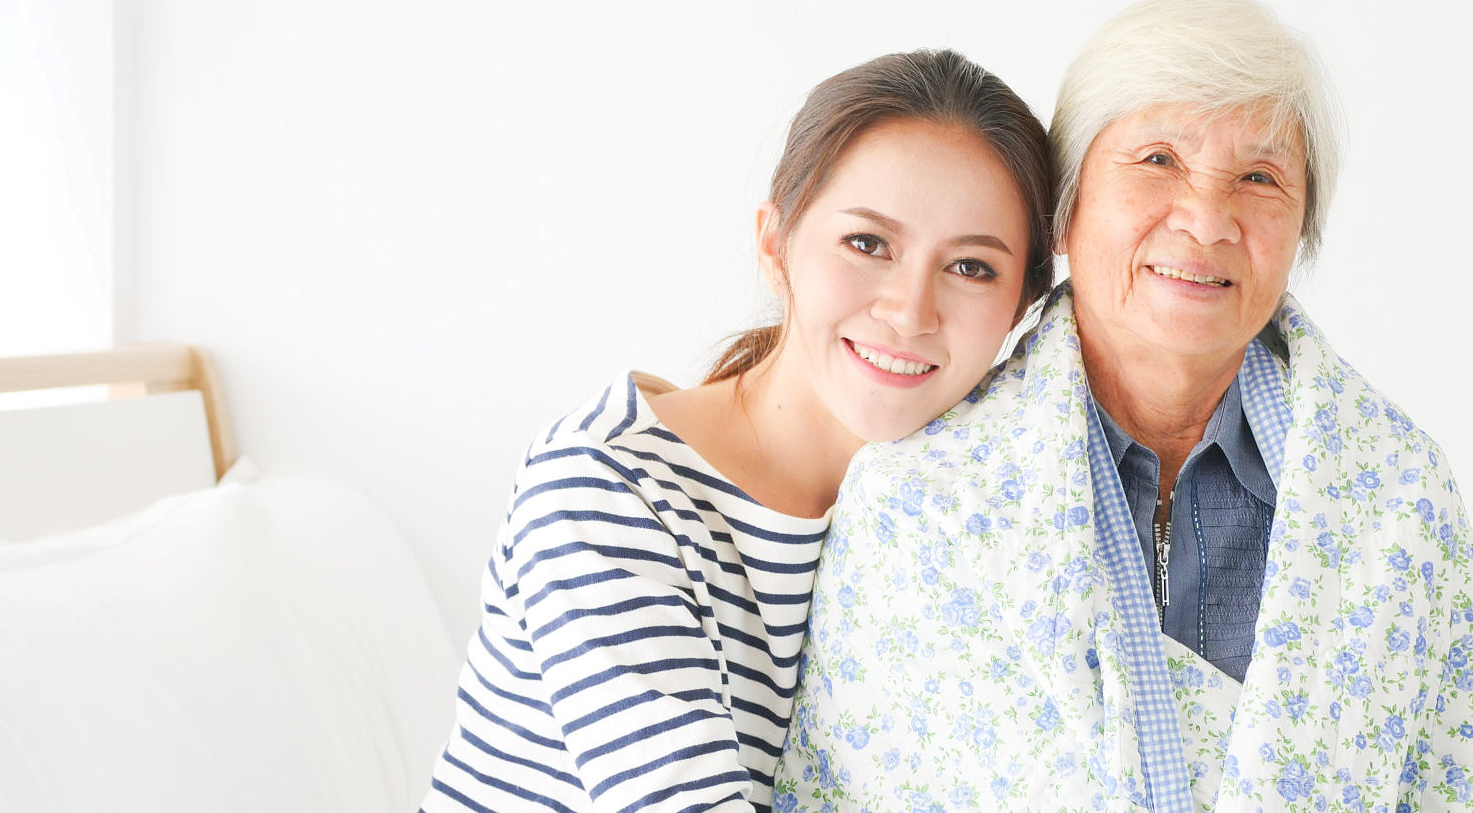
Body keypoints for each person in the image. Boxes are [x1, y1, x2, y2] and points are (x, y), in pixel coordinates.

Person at [779, 0, 1473, 811]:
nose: (1207, 220)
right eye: (1158, 161)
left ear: (1302, 230)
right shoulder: (921, 498)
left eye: (1258, 177)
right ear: (1064, 212)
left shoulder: (1398, 493)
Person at [420, 48, 1055, 813]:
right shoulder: (603, 488)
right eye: (868, 244)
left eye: (973, 268)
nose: (911, 311)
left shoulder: (957, 506)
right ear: (775, 245)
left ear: (1024, 308)